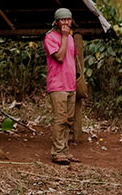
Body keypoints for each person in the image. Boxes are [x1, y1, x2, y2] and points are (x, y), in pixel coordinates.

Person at [43, 8, 80, 165]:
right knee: (60, 119)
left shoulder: (71, 38)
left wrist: (78, 76)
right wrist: (64, 37)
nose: (66, 22)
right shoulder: (50, 38)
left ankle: (65, 150)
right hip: (57, 85)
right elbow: (59, 57)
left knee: (69, 120)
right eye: (62, 20)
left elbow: (74, 57)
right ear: (56, 22)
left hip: (70, 84)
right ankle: (57, 153)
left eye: (68, 19)